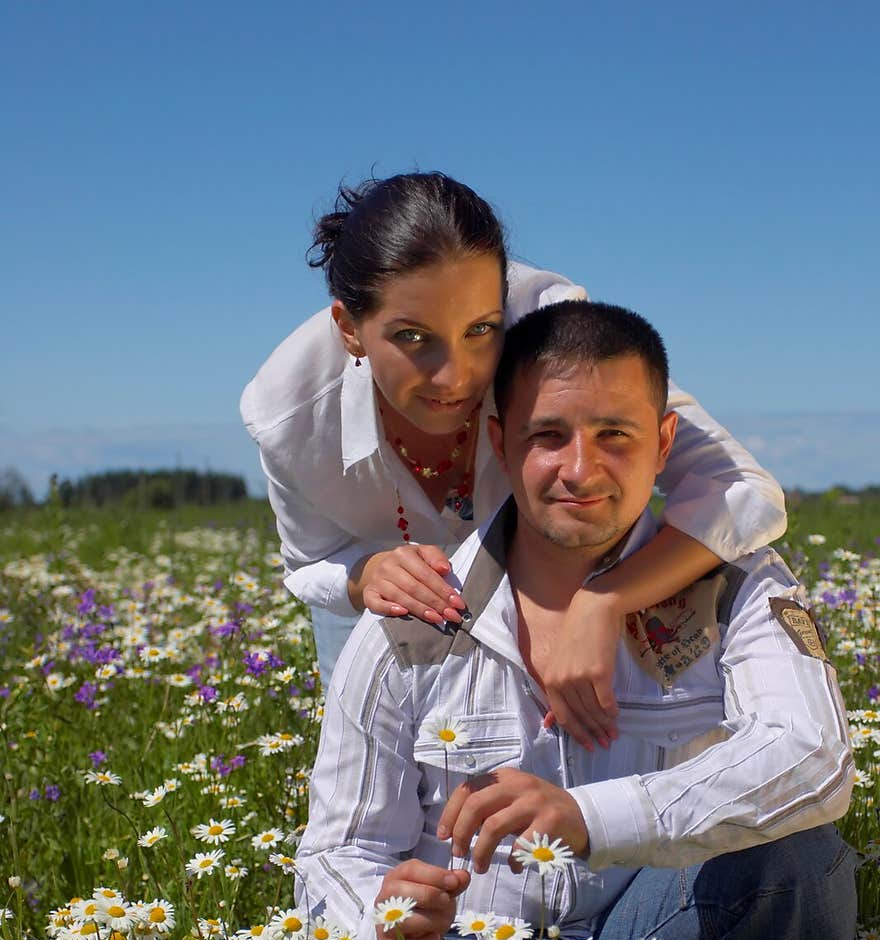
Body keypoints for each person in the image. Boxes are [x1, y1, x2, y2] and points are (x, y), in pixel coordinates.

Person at [294, 299, 858, 940]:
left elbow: (815, 762)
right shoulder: (415, 612)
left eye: (615, 436)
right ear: (501, 441)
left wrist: (588, 818)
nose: (581, 469)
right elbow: (334, 852)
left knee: (792, 844)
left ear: (664, 444)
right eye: (548, 435)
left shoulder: (740, 586)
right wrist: (381, 917)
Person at [240, 171, 788, 749]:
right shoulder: (288, 416)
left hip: (554, 594)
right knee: (374, 799)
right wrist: (363, 575)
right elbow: (307, 564)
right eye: (412, 337)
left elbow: (745, 492)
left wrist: (605, 600)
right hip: (383, 619)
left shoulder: (550, 330)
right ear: (350, 329)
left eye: (481, 330)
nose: (455, 377)